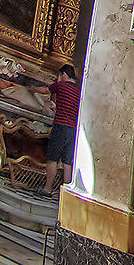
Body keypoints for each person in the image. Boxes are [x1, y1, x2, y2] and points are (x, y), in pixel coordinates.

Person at [43, 62, 79, 193]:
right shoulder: (78, 91)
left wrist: (31, 89)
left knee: (52, 159)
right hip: (72, 130)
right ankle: (66, 194)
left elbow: (45, 91)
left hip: (60, 126)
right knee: (67, 163)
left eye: (60, 75)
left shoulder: (61, 85)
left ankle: (47, 188)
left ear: (63, 74)